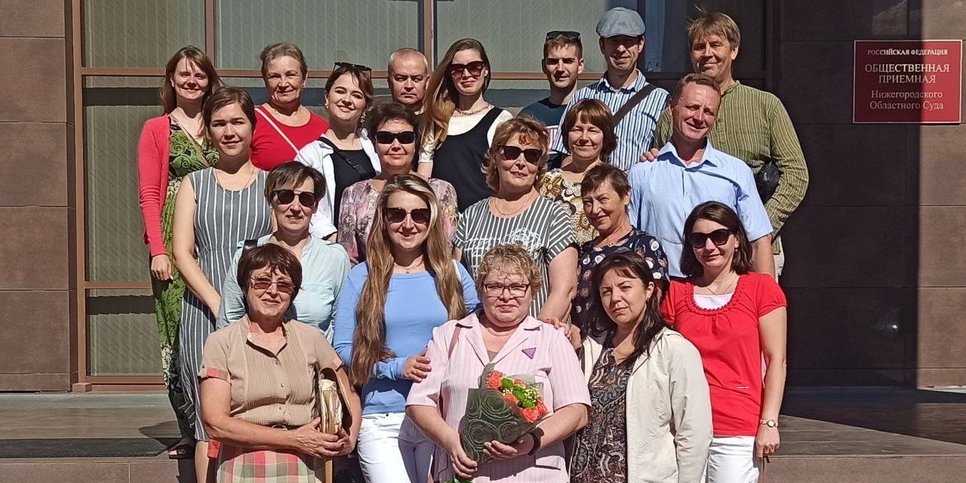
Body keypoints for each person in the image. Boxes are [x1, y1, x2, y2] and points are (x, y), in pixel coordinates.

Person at [333, 174, 479, 483]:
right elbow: (343, 348)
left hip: (441, 415)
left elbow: (485, 329)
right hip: (383, 417)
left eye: (419, 214)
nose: (408, 224)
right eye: (397, 214)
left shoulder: (452, 274)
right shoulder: (362, 276)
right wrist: (397, 368)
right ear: (383, 220)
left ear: (432, 220)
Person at [406, 244, 590, 483]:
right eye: (494, 286)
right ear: (481, 289)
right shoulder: (449, 335)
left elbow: (576, 411)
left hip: (534, 474)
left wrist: (532, 442)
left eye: (516, 287)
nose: (506, 296)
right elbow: (418, 403)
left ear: (532, 290)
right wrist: (451, 441)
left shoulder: (551, 337)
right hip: (466, 474)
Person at [652, 12, 808, 277]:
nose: (707, 53)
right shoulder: (676, 113)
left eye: (716, 45)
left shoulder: (765, 105)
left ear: (734, 50)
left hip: (754, 250)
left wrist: (756, 228)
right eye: (699, 47)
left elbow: (796, 174)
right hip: (692, 251)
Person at [172, 87, 274, 475]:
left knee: (254, 408)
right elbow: (182, 252)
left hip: (261, 310)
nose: (229, 131)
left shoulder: (270, 185)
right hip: (203, 309)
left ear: (252, 126)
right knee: (207, 421)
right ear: (208, 131)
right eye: (219, 123)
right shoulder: (194, 184)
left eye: (237, 122)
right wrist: (218, 303)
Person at [199, 243, 362, 482]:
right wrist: (294, 439)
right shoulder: (221, 342)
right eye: (262, 282)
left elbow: (349, 393)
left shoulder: (311, 338)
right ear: (246, 287)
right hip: (244, 468)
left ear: (293, 293)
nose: (273, 291)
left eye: (284, 285)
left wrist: (349, 439)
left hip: (305, 468)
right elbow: (216, 423)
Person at [662, 202, 787, 483]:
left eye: (719, 236)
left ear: (737, 238)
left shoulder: (761, 288)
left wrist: (769, 422)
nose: (709, 246)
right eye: (699, 239)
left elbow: (776, 360)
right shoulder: (676, 293)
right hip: (683, 426)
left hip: (737, 426)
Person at [137, 45, 221, 459]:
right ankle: (189, 426)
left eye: (199, 75)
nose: (191, 81)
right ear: (171, 80)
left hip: (219, 234)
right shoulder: (157, 129)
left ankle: (224, 417)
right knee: (178, 333)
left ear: (209, 80)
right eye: (183, 74)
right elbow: (149, 194)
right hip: (174, 240)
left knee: (221, 320)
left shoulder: (221, 122)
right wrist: (158, 248)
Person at [569, 251, 711, 483]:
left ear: (648, 290)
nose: (615, 298)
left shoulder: (673, 349)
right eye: (606, 291)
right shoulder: (592, 349)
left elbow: (694, 433)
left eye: (625, 287)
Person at [628, 74, 774, 279]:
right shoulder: (642, 173)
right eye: (692, 107)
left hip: (720, 292)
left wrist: (769, 303)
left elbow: (759, 241)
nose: (699, 117)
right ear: (671, 108)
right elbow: (628, 241)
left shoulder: (736, 172)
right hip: (663, 291)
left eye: (708, 111)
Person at [454, 117, 577, 322]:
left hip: (535, 341)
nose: (521, 162)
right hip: (481, 339)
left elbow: (564, 289)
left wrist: (533, 339)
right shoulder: (470, 216)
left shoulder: (554, 215)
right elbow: (456, 286)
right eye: (512, 153)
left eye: (531, 155)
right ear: (495, 157)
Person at [217, 162, 350, 341]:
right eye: (286, 196)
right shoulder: (247, 253)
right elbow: (229, 321)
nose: (295, 207)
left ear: (316, 206)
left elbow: (342, 327)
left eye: (306, 199)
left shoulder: (335, 257)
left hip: (314, 364)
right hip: (256, 363)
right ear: (271, 200)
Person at [337, 102, 458, 264]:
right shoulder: (354, 194)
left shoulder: (441, 191)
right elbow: (348, 258)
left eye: (405, 138)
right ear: (374, 144)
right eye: (385, 138)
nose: (396, 145)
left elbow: (445, 250)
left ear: (416, 143)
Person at [551, 7, 669, 171]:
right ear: (602, 45)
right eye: (614, 41)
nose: (621, 49)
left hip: (635, 194)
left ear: (640, 44)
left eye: (628, 41)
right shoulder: (581, 97)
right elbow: (566, 157)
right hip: (589, 193)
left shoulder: (661, 100)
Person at [415, 38, 514, 211]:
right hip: (442, 222)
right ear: (450, 75)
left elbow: (506, 178)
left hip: (483, 221)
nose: (466, 74)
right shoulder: (437, 119)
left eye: (474, 67)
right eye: (458, 69)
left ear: (485, 70)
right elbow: (424, 175)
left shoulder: (501, 119)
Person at [572, 164, 668, 329]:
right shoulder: (583, 252)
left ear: (625, 196)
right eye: (588, 202)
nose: (595, 210)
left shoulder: (645, 245)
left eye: (603, 199)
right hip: (586, 347)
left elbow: (653, 304)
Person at [296, 62, 381, 239]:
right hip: (335, 250)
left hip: (379, 247)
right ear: (327, 97)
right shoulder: (309, 156)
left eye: (356, 95)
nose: (347, 100)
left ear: (366, 106)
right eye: (340, 91)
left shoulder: (376, 147)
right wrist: (334, 239)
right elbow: (303, 204)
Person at [538, 99, 616, 245]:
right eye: (577, 129)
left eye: (593, 130)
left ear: (605, 136)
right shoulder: (547, 181)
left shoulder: (616, 181)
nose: (584, 138)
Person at [251, 43, 330, 171]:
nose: (283, 83)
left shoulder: (324, 128)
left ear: (304, 78)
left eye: (290, 75)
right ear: (265, 81)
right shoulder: (251, 122)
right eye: (275, 76)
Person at [519, 30, 585, 165]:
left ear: (580, 66)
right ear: (544, 66)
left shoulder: (592, 114)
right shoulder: (529, 116)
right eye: (553, 61)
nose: (560, 68)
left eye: (568, 61)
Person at [388, 48, 431, 113]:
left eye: (416, 79)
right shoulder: (375, 121)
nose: (409, 86)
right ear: (389, 82)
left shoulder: (441, 121)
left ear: (427, 82)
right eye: (401, 79)